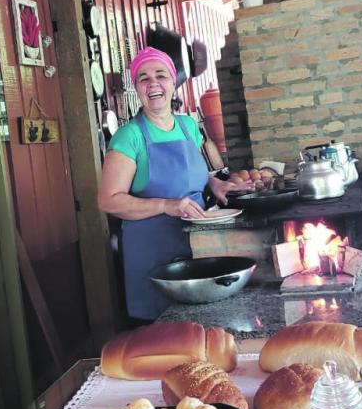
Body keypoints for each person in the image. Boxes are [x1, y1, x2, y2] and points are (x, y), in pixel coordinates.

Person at [98, 46, 252, 323]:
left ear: (173, 81)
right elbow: (108, 200)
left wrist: (214, 184)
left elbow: (191, 172)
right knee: (165, 334)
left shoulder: (188, 126)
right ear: (136, 88)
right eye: (143, 78)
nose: (153, 83)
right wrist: (166, 205)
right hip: (153, 251)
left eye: (161, 75)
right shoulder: (128, 137)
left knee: (204, 323)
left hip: (197, 243)